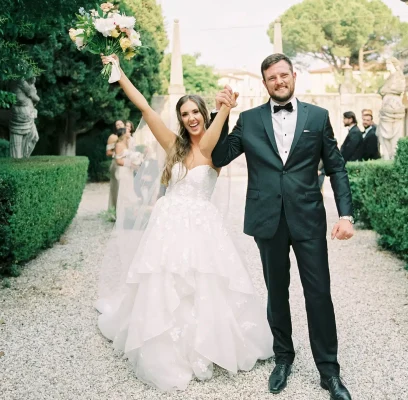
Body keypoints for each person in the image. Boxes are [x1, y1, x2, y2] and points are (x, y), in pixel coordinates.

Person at [96, 54, 273, 391]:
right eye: (185, 114)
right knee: (163, 283)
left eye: (195, 112)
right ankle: (164, 345)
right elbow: (146, 109)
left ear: (204, 114)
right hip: (168, 224)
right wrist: (119, 75)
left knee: (205, 282)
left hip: (202, 226)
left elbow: (207, 141)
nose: (191, 118)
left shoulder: (216, 149)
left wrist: (225, 109)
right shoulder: (174, 146)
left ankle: (207, 344)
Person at [202, 53, 354, 400]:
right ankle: (283, 358)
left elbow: (337, 168)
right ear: (265, 83)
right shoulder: (250, 120)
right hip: (266, 219)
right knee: (277, 292)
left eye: (283, 75)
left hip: (308, 218)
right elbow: (220, 155)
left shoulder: (318, 117)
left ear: (294, 76)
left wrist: (346, 215)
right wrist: (222, 112)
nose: (279, 81)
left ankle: (329, 373)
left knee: (318, 294)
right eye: (272, 78)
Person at [107, 121, 125, 211]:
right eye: (117, 125)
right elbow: (108, 152)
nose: (119, 126)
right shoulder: (112, 137)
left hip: (126, 164)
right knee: (116, 187)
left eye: (121, 124)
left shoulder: (126, 136)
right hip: (116, 164)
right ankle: (115, 209)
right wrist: (118, 153)